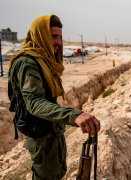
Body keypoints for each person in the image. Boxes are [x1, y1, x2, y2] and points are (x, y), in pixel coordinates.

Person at [8, 15, 101, 179]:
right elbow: (35, 103)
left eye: (60, 37)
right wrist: (74, 115)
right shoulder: (27, 63)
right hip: (41, 137)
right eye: (53, 37)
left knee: (57, 173)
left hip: (52, 133)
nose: (58, 42)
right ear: (41, 36)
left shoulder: (45, 60)